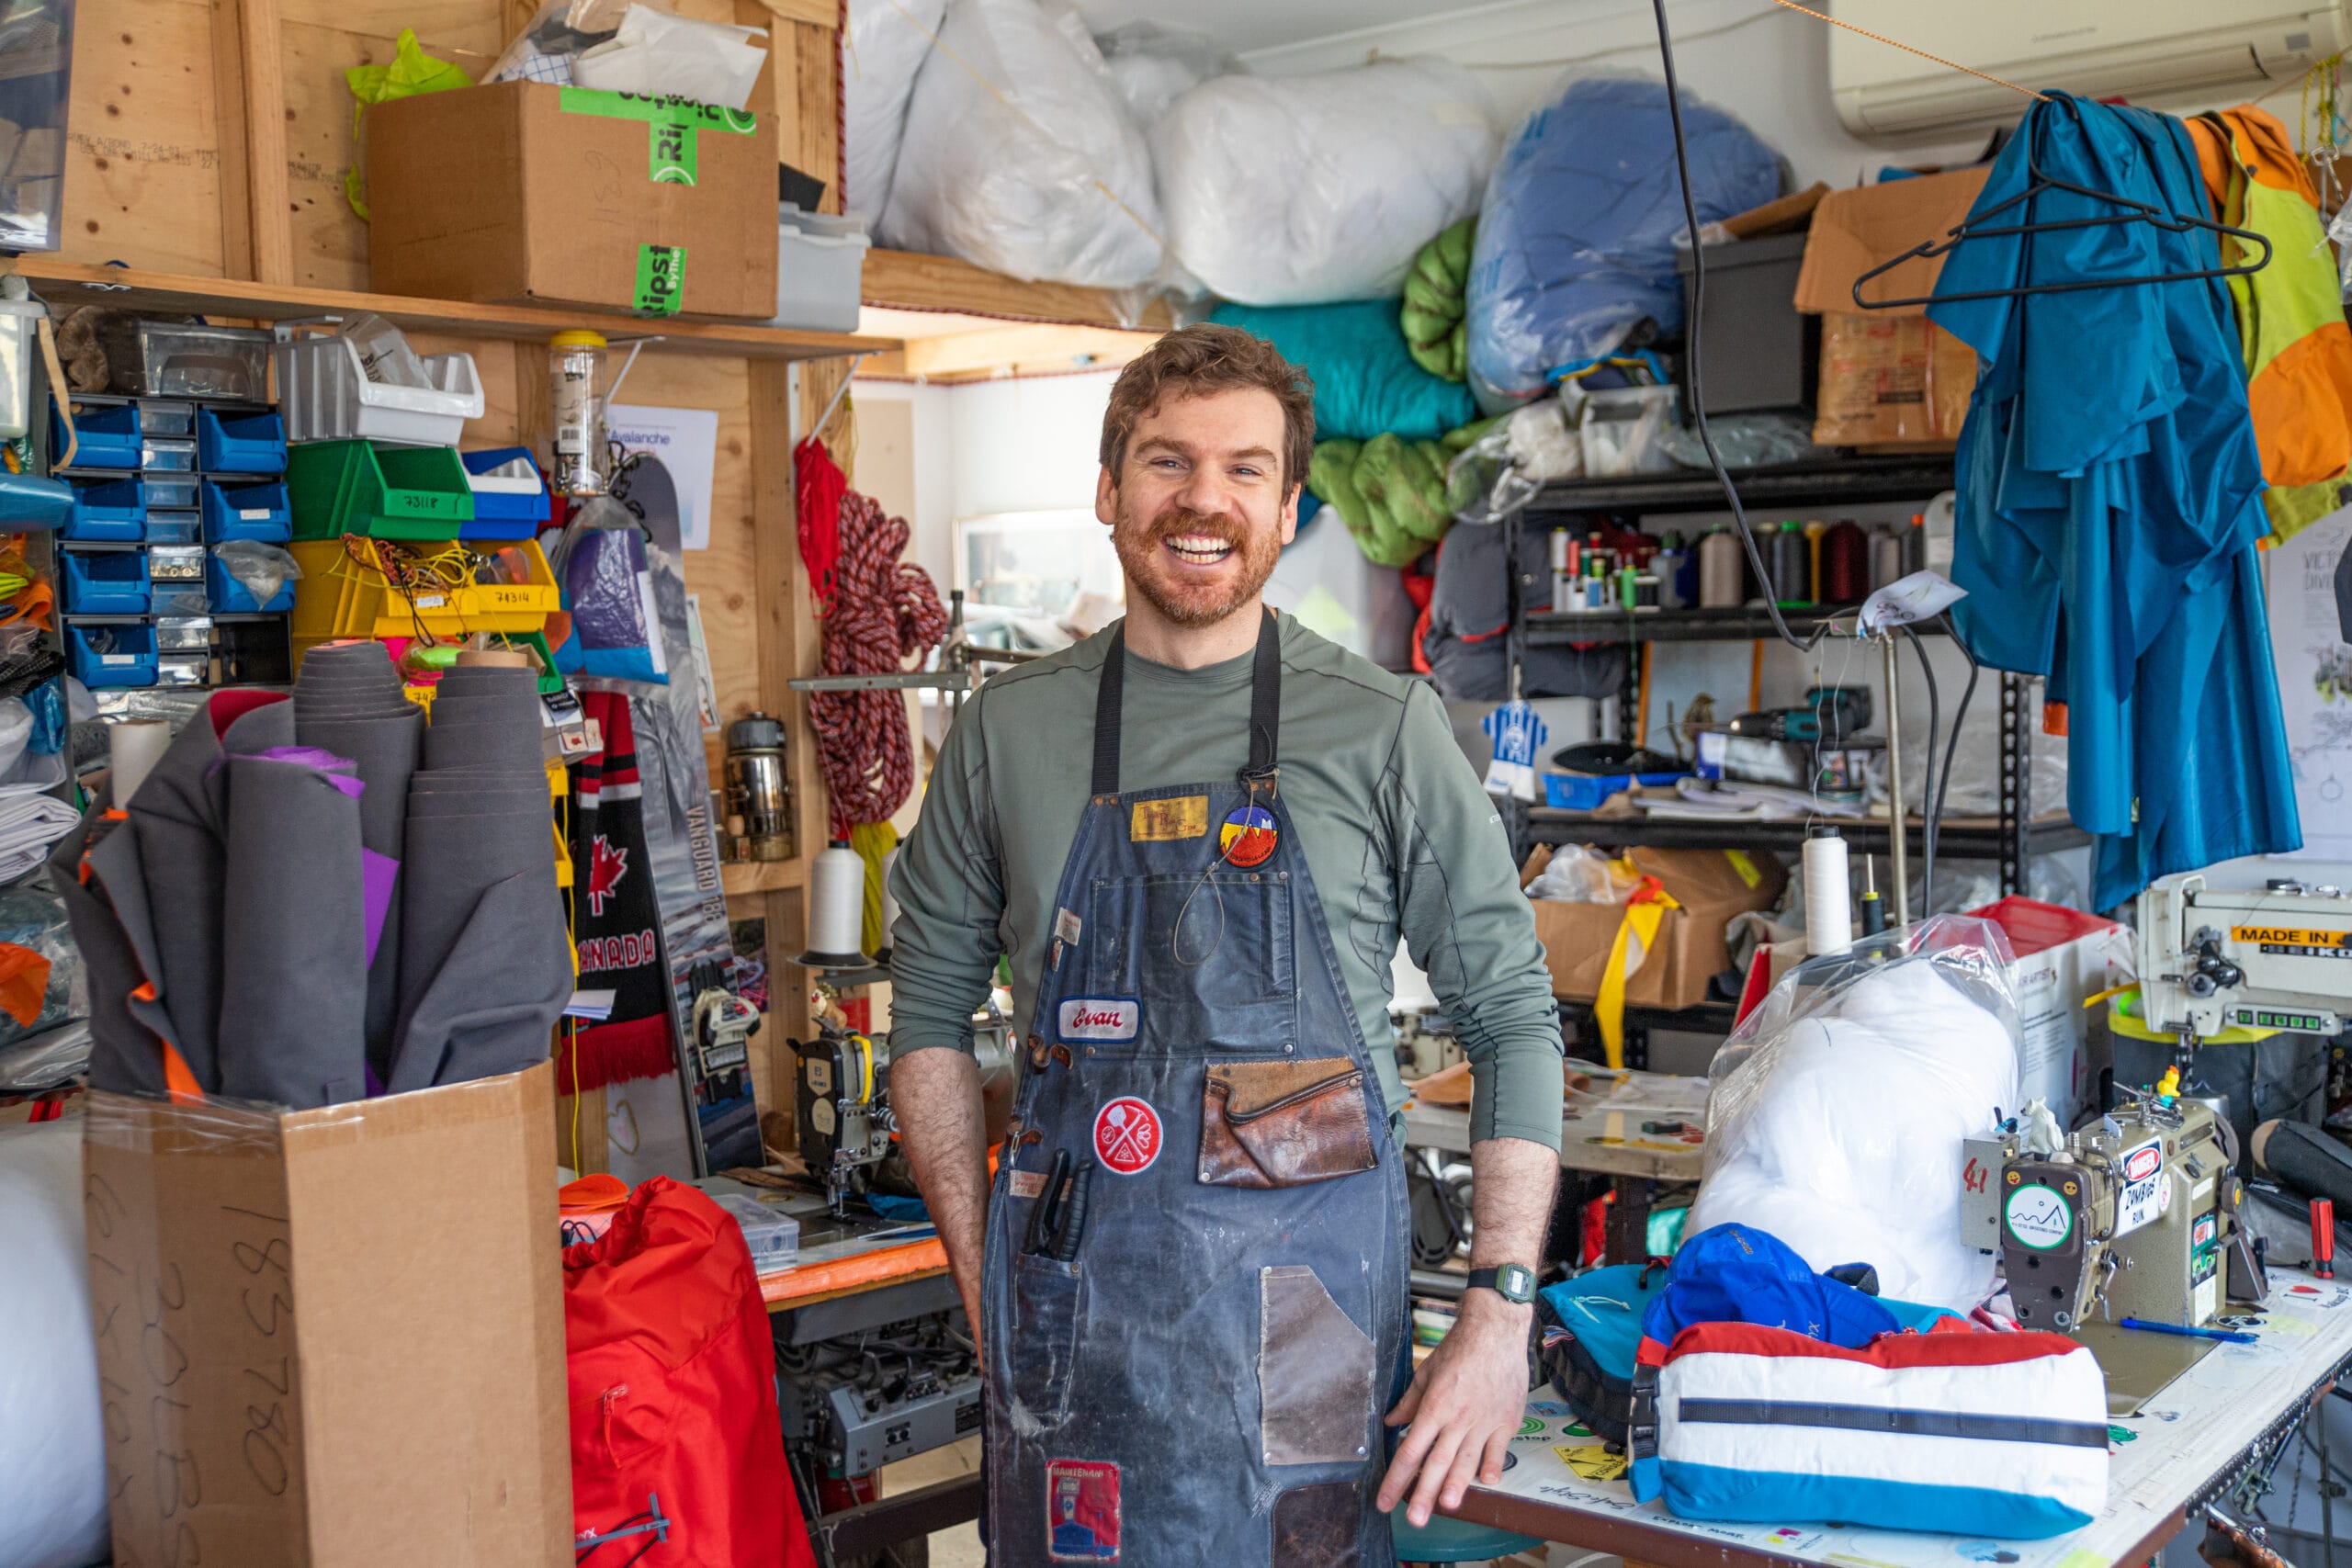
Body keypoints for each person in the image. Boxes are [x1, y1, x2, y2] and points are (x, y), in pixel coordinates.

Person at [888, 324, 1565, 1565]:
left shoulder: (1384, 729)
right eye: (1167, 462)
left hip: (1306, 1348)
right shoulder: (1009, 733)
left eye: (1246, 469)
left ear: (1289, 504)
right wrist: (978, 1271)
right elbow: (927, 1012)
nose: (1205, 500)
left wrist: (1497, 1316)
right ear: (1108, 491)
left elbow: (1513, 1018)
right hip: (1072, 1332)